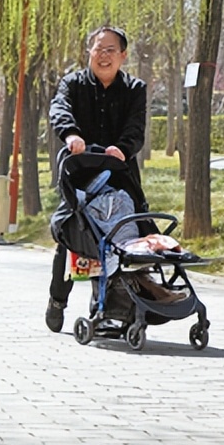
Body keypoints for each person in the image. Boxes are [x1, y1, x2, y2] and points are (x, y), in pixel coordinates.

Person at [46, 25, 147, 333]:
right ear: (88, 52)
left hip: (117, 175)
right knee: (72, 234)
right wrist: (71, 135)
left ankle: (106, 307)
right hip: (80, 176)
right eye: (98, 49)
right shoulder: (73, 84)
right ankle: (57, 300)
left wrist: (123, 149)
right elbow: (58, 109)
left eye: (110, 50)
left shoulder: (135, 89)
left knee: (120, 240)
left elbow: (135, 129)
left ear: (123, 56)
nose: (103, 56)